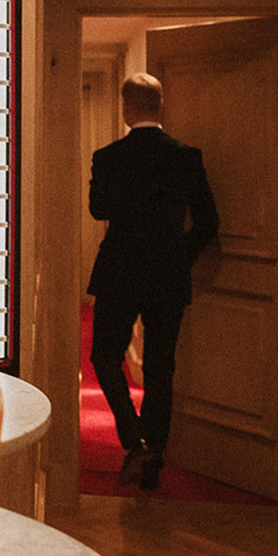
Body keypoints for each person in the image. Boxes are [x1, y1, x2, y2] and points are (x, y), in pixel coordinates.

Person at [87, 71, 219, 491]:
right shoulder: (186, 157)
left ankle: (134, 439)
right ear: (159, 106)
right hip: (167, 273)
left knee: (105, 356)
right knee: (161, 366)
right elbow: (208, 222)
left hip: (120, 270)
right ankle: (154, 455)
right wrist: (181, 255)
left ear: (126, 108)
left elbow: (97, 209)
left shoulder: (108, 157)